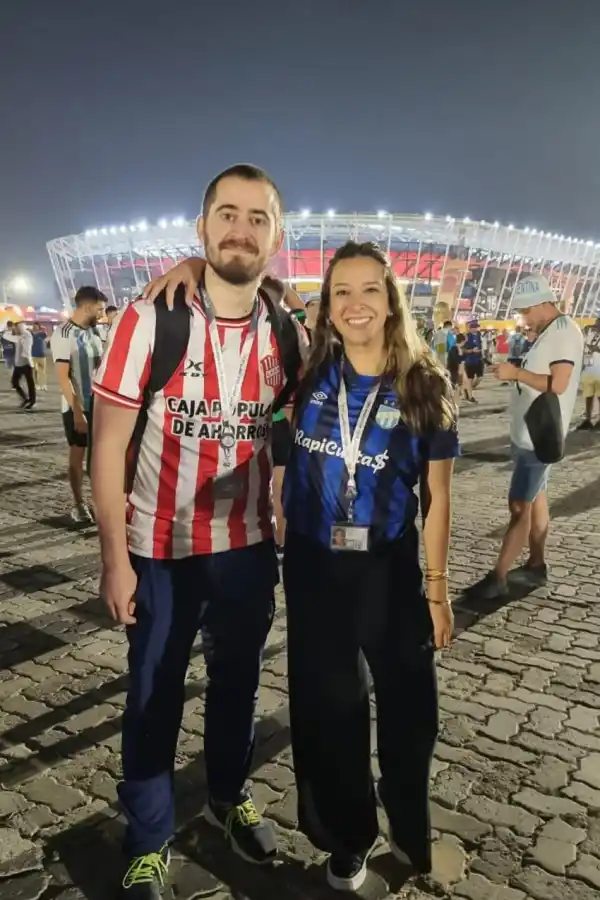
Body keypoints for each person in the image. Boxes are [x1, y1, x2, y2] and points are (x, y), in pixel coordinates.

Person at [91, 164, 305, 898]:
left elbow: (286, 418)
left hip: (246, 549)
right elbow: (107, 446)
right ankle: (149, 835)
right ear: (202, 227)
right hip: (160, 552)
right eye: (227, 214)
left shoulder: (287, 330)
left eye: (258, 218)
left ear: (277, 238)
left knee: (237, 686)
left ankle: (224, 797)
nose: (241, 229)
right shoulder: (149, 321)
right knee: (153, 694)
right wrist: (114, 559)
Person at [283, 241, 457, 891]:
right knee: (330, 706)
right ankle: (349, 832)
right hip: (312, 563)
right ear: (327, 308)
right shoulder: (310, 370)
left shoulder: (423, 383)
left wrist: (437, 592)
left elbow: (438, 498)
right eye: (342, 292)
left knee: (412, 708)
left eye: (369, 291)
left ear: (391, 303)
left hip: (387, 565)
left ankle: (409, 820)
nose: (356, 304)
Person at [474, 274, 583, 599]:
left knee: (519, 506)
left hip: (539, 435)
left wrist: (516, 373)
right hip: (534, 433)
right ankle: (536, 563)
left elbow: (558, 383)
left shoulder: (562, 334)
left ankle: (499, 576)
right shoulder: (553, 331)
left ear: (541, 303)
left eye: (525, 310)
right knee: (536, 501)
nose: (522, 317)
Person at [50, 286, 106, 523]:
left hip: (99, 405)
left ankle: (101, 502)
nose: (102, 314)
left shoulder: (94, 332)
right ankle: (78, 503)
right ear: (87, 306)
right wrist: (77, 413)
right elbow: (63, 377)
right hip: (77, 407)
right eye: (100, 309)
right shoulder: (63, 334)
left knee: (100, 456)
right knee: (78, 454)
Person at [577, 318, 600, 430]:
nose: (596, 324)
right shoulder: (591, 335)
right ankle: (587, 419)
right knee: (588, 395)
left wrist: (597, 349)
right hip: (589, 369)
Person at [7, 322, 36, 409]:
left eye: (15, 328)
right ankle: (25, 398)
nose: (14, 330)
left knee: (30, 383)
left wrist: (29, 362)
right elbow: (7, 336)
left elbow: (27, 348)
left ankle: (31, 400)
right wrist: (10, 330)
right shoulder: (19, 337)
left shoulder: (27, 335)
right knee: (14, 382)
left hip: (26, 363)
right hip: (19, 364)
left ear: (20, 328)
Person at [462, 319, 484, 399]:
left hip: (478, 359)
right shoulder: (466, 336)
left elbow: (480, 344)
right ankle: (469, 392)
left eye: (477, 327)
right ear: (470, 328)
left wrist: (481, 351)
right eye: (474, 327)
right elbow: (462, 349)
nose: (476, 329)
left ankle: (469, 388)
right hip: (470, 360)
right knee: (470, 378)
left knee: (480, 377)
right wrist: (471, 351)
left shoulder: (478, 334)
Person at [31, 323, 48, 390]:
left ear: (39, 327)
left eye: (36, 326)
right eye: (34, 326)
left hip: (42, 355)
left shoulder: (42, 334)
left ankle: (44, 384)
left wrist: (44, 330)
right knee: (35, 371)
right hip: (33, 355)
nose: (35, 327)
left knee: (43, 371)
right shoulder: (30, 334)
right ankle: (37, 384)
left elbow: (47, 336)